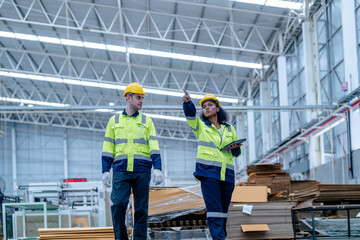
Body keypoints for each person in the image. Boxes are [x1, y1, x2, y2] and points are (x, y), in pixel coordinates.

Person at [102, 82, 163, 240]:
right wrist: (105, 170)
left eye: (142, 98)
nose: (141, 101)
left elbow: (154, 146)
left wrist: (158, 168)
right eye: (138, 97)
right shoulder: (114, 121)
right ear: (128, 98)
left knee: (141, 209)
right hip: (121, 170)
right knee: (117, 205)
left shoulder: (147, 121)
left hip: (142, 170)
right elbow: (108, 147)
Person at [182, 89, 241, 240]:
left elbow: (236, 154)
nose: (206, 108)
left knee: (223, 210)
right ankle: (219, 238)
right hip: (208, 173)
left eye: (209, 105)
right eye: (204, 106)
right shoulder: (201, 127)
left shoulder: (229, 129)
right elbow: (190, 117)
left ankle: (221, 236)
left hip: (227, 175)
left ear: (217, 108)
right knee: (214, 209)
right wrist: (188, 103)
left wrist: (236, 149)